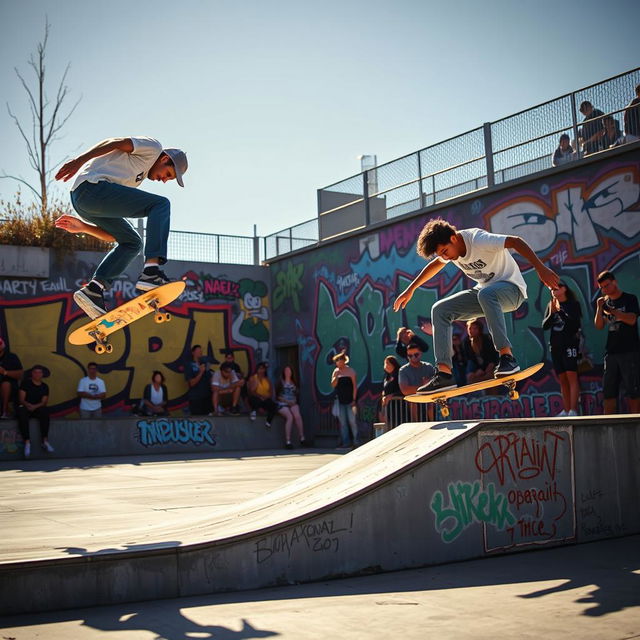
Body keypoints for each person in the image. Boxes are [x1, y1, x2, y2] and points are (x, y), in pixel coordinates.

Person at [394, 218, 559, 393]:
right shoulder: (450, 251)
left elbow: (515, 242)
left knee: (486, 293)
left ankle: (507, 357)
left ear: (453, 238)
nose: (445, 257)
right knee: (440, 309)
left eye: (445, 251)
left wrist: (540, 268)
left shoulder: (478, 239)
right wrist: (410, 289)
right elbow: (435, 265)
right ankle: (444, 374)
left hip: (512, 291)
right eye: (441, 254)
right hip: (485, 295)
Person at [54, 136, 188, 319]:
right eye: (168, 174)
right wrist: (79, 161)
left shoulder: (133, 179)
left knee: (132, 243)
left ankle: (94, 289)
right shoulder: (153, 149)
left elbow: (111, 236)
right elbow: (115, 142)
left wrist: (84, 227)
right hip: (91, 189)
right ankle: (151, 271)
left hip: (87, 202)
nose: (163, 180)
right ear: (165, 159)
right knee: (161, 204)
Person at [594, 271, 640, 415]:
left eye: (607, 285)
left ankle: (635, 423)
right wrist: (599, 308)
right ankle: (609, 425)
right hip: (611, 353)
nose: (605, 290)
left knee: (633, 390)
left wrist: (613, 311)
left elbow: (632, 320)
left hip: (630, 351)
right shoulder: (605, 302)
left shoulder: (630, 299)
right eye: (602, 287)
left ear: (614, 282)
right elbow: (599, 325)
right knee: (609, 392)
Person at [543, 282, 582, 416]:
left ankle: (573, 409)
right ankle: (566, 410)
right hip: (555, 346)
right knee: (562, 378)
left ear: (564, 289)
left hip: (569, 344)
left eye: (556, 289)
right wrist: (552, 312)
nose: (553, 292)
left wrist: (560, 311)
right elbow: (545, 326)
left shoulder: (573, 304)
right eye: (551, 290)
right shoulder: (551, 305)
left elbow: (574, 325)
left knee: (571, 376)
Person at [17, 365, 52, 457]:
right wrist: (27, 404)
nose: (37, 374)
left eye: (39, 372)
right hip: (26, 407)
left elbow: (44, 402)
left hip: (37, 408)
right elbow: (21, 399)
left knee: (45, 411)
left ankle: (44, 441)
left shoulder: (45, 386)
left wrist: (34, 406)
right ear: (32, 374)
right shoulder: (25, 383)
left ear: (42, 375)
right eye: (35, 372)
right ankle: (27, 442)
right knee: (21, 412)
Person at [398, 343, 436, 421]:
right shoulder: (403, 370)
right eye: (410, 356)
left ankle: (433, 421)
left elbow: (436, 384)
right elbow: (405, 390)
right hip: (412, 408)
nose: (413, 358)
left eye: (416, 355)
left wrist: (416, 389)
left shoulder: (429, 367)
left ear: (421, 353)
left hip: (430, 405)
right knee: (413, 402)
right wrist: (425, 386)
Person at [330, 351, 358, 449]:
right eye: (336, 361)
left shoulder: (351, 371)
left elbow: (354, 386)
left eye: (339, 360)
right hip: (340, 401)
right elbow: (333, 385)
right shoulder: (336, 371)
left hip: (350, 401)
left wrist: (354, 399)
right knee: (343, 423)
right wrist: (336, 376)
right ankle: (346, 442)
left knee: (352, 421)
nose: (337, 362)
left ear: (343, 361)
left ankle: (356, 441)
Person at [276, 366, 306, 448]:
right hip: (282, 403)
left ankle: (302, 438)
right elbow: (277, 396)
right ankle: (288, 441)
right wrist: (287, 402)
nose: (287, 372)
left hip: (293, 403)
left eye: (289, 371)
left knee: (297, 416)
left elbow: (297, 394)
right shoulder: (280, 382)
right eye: (286, 370)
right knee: (290, 417)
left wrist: (293, 401)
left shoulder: (294, 382)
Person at [463, 319, 499, 384]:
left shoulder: (486, 339)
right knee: (470, 377)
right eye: (470, 328)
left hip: (489, 364)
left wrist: (485, 368)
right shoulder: (466, 342)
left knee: (491, 376)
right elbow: (470, 359)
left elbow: (493, 355)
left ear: (479, 329)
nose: (472, 331)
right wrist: (478, 370)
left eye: (475, 328)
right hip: (476, 367)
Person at [247, 362, 279, 427]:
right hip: (256, 398)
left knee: (274, 405)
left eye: (263, 369)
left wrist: (267, 396)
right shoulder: (253, 378)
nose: (261, 370)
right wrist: (260, 396)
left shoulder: (267, 379)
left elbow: (271, 392)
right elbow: (251, 392)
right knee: (253, 399)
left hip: (265, 399)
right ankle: (253, 411)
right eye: (259, 369)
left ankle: (268, 421)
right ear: (257, 370)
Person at [185, 345, 212, 416]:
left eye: (201, 351)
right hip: (195, 398)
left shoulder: (206, 364)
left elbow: (210, 379)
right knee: (197, 419)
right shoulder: (189, 365)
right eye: (198, 351)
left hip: (207, 396)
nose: (200, 352)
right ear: (193, 352)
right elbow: (192, 383)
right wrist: (201, 372)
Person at [0, 336, 23, 419]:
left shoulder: (11, 357)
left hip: (10, 388)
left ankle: (5, 411)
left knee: (5, 385)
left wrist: (5, 372)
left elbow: (20, 374)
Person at [381, 355, 403, 426]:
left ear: (394, 364)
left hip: (399, 406)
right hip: (389, 407)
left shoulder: (399, 375)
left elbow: (401, 390)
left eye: (388, 363)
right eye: (385, 363)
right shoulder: (386, 377)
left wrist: (392, 395)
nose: (386, 365)